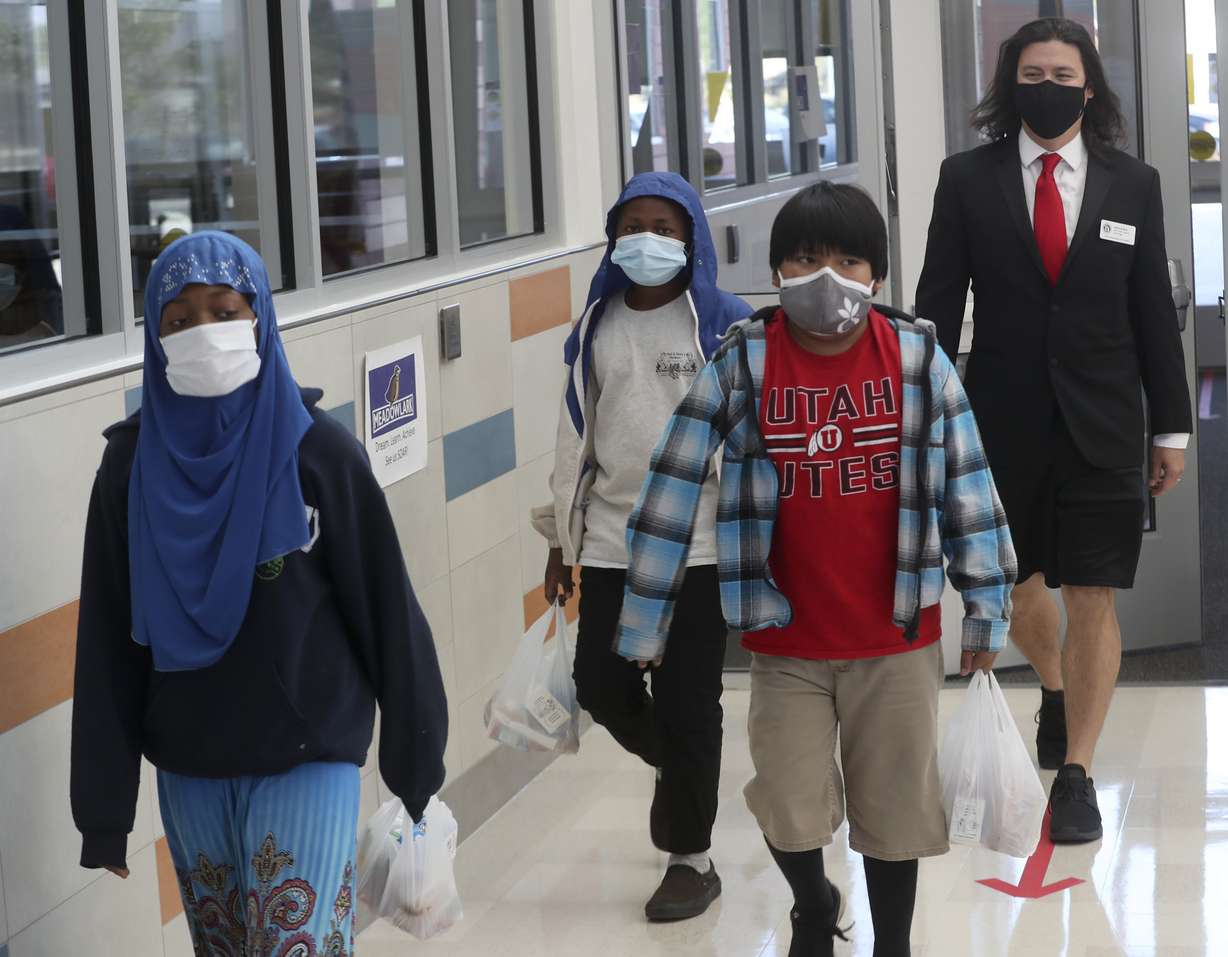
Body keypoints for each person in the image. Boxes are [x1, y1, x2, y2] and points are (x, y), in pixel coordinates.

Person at [615, 181, 1015, 957]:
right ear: (777, 269)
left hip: (894, 635)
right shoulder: (746, 360)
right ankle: (812, 900)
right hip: (785, 638)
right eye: (804, 257)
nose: (825, 273)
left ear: (877, 274)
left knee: (895, 813)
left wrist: (986, 606)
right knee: (788, 807)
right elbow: (671, 483)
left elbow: (968, 485)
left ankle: (891, 943)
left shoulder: (915, 357)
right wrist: (644, 623)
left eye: (847, 258)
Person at [70, 231, 448, 953]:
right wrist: (103, 809)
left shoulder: (317, 454)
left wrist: (415, 755)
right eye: (178, 320)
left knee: (292, 944)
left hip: (308, 749)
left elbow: (387, 610)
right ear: (154, 337)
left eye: (223, 309)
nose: (202, 332)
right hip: (189, 760)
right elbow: (107, 646)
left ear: (261, 318)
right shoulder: (128, 471)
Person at [915, 17, 1193, 844]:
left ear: (1090, 86)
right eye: (1032, 72)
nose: (1048, 85)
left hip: (1105, 418)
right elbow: (936, 302)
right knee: (1021, 584)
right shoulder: (966, 179)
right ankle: (1051, 681)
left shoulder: (1131, 183)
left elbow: (1152, 312)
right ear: (1010, 86)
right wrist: (927, 415)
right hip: (999, 417)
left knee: (1094, 590)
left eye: (1063, 72)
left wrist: (1170, 428)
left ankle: (1077, 772)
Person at [531, 172, 751, 922]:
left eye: (665, 225)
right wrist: (561, 538)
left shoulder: (724, 325)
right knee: (600, 683)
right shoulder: (595, 325)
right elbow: (574, 440)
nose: (647, 239)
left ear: (691, 237)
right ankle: (678, 767)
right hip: (611, 543)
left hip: (696, 546)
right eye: (633, 225)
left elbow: (753, 444)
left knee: (692, 701)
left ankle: (691, 858)